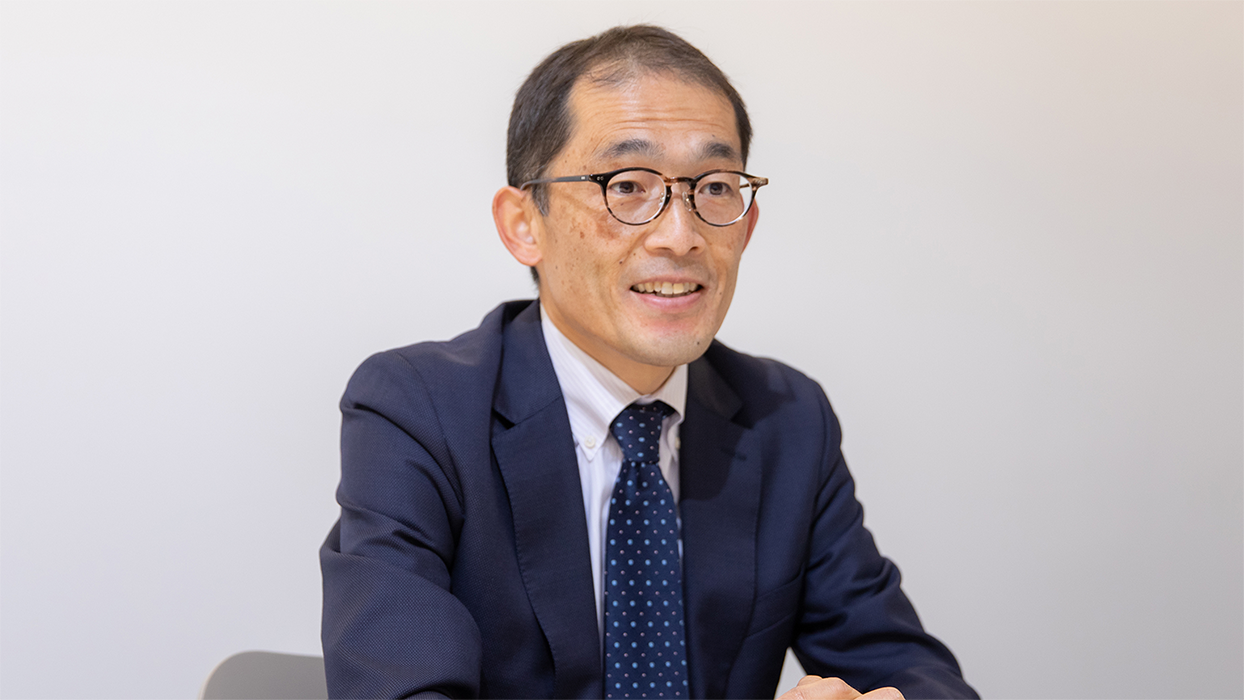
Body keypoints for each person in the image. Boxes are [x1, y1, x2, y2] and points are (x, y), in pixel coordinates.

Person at [320, 25, 980, 700]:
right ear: (524, 223)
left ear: (747, 227)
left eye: (716, 187)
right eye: (628, 185)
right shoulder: (417, 409)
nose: (681, 235)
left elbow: (911, 670)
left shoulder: (787, 418)